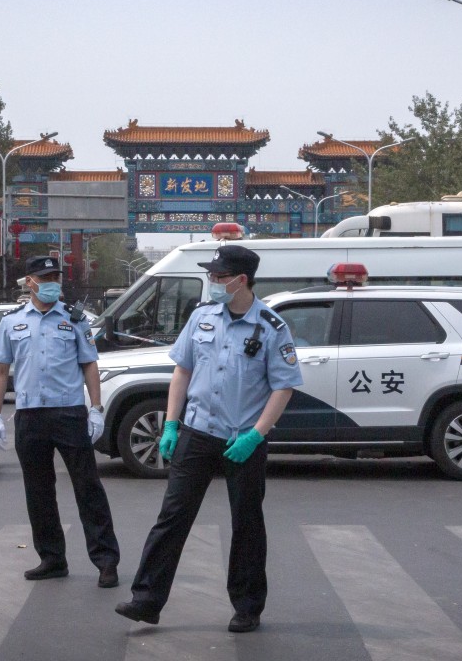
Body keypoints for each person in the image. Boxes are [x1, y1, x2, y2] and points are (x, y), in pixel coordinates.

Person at [115, 245, 303, 633]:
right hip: (197, 434)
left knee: (247, 524)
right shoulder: (201, 317)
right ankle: (146, 600)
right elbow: (182, 372)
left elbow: (283, 388)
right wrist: (170, 424)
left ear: (242, 280)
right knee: (172, 518)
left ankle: (247, 607)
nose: (213, 282)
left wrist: (256, 436)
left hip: (243, 440)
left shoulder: (270, 327)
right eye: (212, 276)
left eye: (219, 277)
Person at [0, 255, 120, 587]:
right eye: (45, 277)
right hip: (30, 415)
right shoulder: (11, 322)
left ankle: (106, 561)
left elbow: (89, 364)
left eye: (55, 277)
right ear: (29, 282)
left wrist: (95, 408)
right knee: (38, 491)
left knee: (87, 488)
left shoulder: (74, 320)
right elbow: (0, 370)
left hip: (68, 413)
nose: (52, 283)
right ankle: (51, 558)